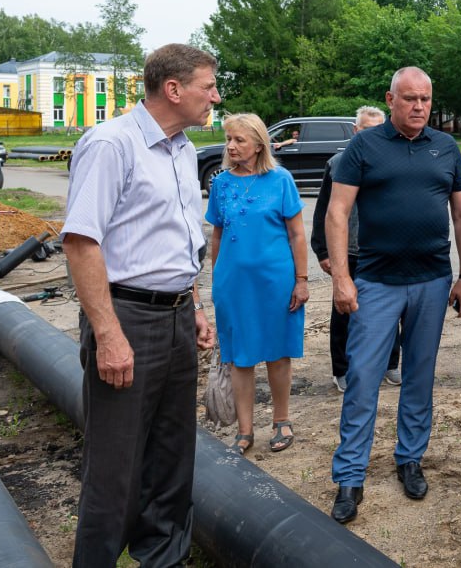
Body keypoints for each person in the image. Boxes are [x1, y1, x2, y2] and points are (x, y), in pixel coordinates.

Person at [62, 43, 218, 567]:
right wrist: (107, 334)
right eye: (208, 86)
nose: (215, 97)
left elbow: (179, 237)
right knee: (115, 465)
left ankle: (162, 559)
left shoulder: (183, 150)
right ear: (173, 90)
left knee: (173, 458)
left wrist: (192, 303)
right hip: (126, 317)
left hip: (175, 317)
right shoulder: (111, 144)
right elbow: (82, 242)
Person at [325, 67, 461, 524]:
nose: (418, 106)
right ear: (390, 99)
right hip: (374, 282)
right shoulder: (363, 147)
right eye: (409, 98)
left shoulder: (445, 147)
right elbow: (337, 213)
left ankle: (410, 459)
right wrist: (341, 279)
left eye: (425, 99)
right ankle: (350, 477)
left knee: (419, 376)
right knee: (363, 378)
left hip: (432, 281)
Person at [206, 112, 309, 455]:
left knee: (278, 353)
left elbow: (297, 235)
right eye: (229, 140)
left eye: (239, 140)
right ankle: (245, 430)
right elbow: (217, 235)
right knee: (240, 357)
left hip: (276, 282)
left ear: (258, 144)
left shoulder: (280, 180)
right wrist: (216, 277)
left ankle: (282, 420)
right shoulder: (221, 183)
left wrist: (302, 280)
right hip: (233, 284)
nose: (231, 146)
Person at [310, 106, 401, 393]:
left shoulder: (393, 160)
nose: (373, 134)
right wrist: (323, 252)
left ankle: (390, 363)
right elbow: (324, 210)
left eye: (379, 129)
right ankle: (342, 369)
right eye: (367, 129)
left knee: (391, 309)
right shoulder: (338, 163)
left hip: (384, 250)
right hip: (348, 250)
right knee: (344, 312)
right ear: (356, 130)